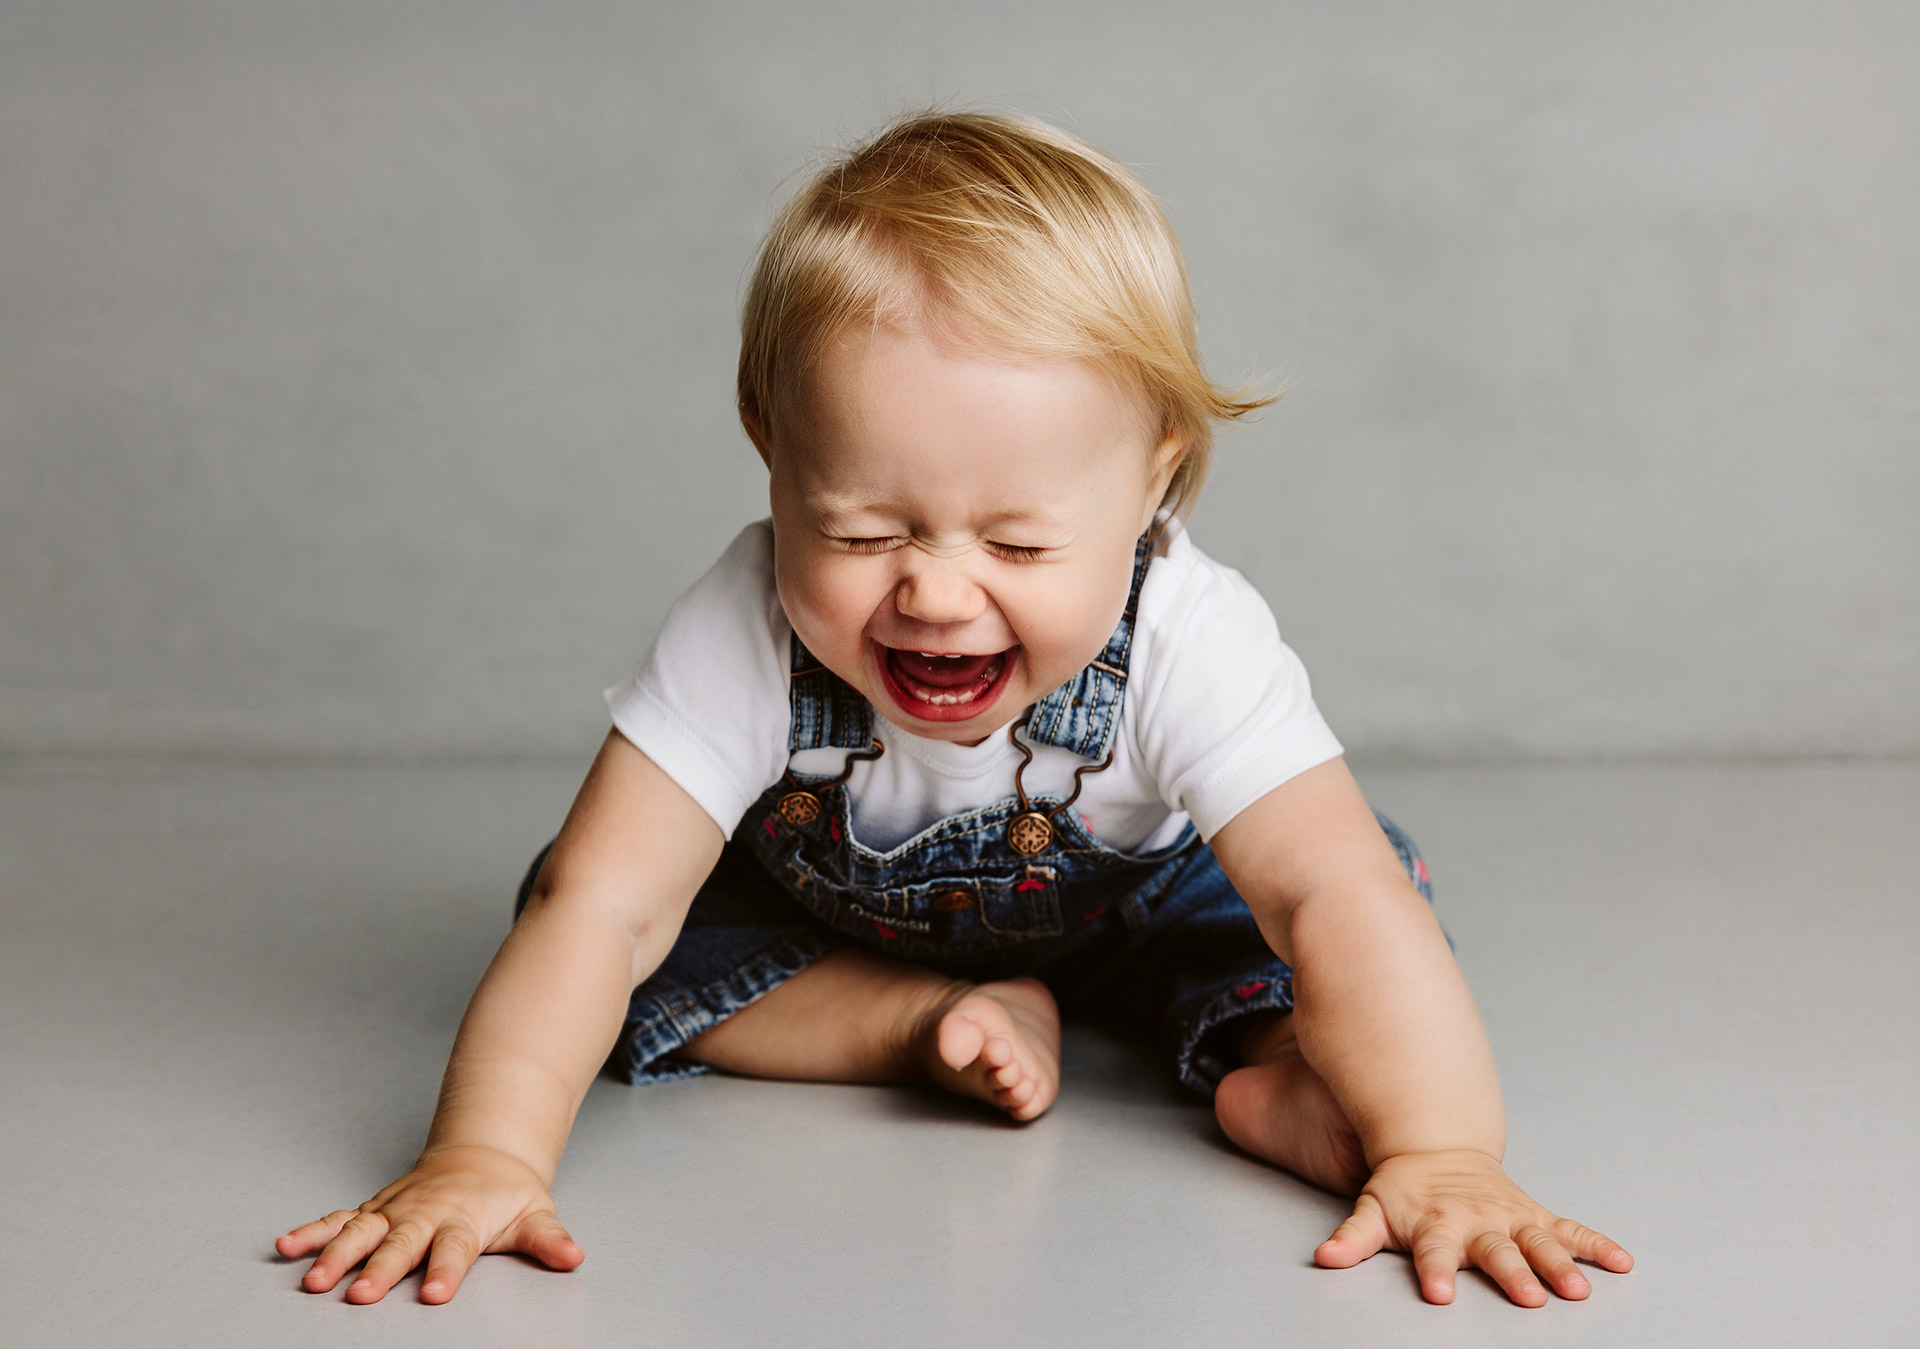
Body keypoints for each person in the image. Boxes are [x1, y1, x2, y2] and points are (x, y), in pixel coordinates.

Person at [276, 110, 1633, 1309]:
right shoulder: (741, 624)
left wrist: (1447, 1152)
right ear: (773, 444)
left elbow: (1327, 891)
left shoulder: (1190, 633)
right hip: (842, 917)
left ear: (1152, 481)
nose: (934, 591)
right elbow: (607, 904)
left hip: (1150, 898)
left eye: (1020, 546)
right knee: (590, 918)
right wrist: (484, 1156)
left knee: (1357, 900)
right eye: (860, 531)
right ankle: (914, 1022)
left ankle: (1292, 1075)